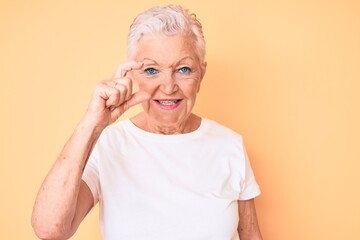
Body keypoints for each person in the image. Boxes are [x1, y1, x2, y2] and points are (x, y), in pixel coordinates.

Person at [31, 5, 263, 240]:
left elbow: (251, 235)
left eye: (183, 69)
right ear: (130, 75)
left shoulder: (229, 145)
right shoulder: (107, 144)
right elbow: (50, 229)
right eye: (151, 70)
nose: (169, 86)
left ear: (200, 75)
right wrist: (91, 124)